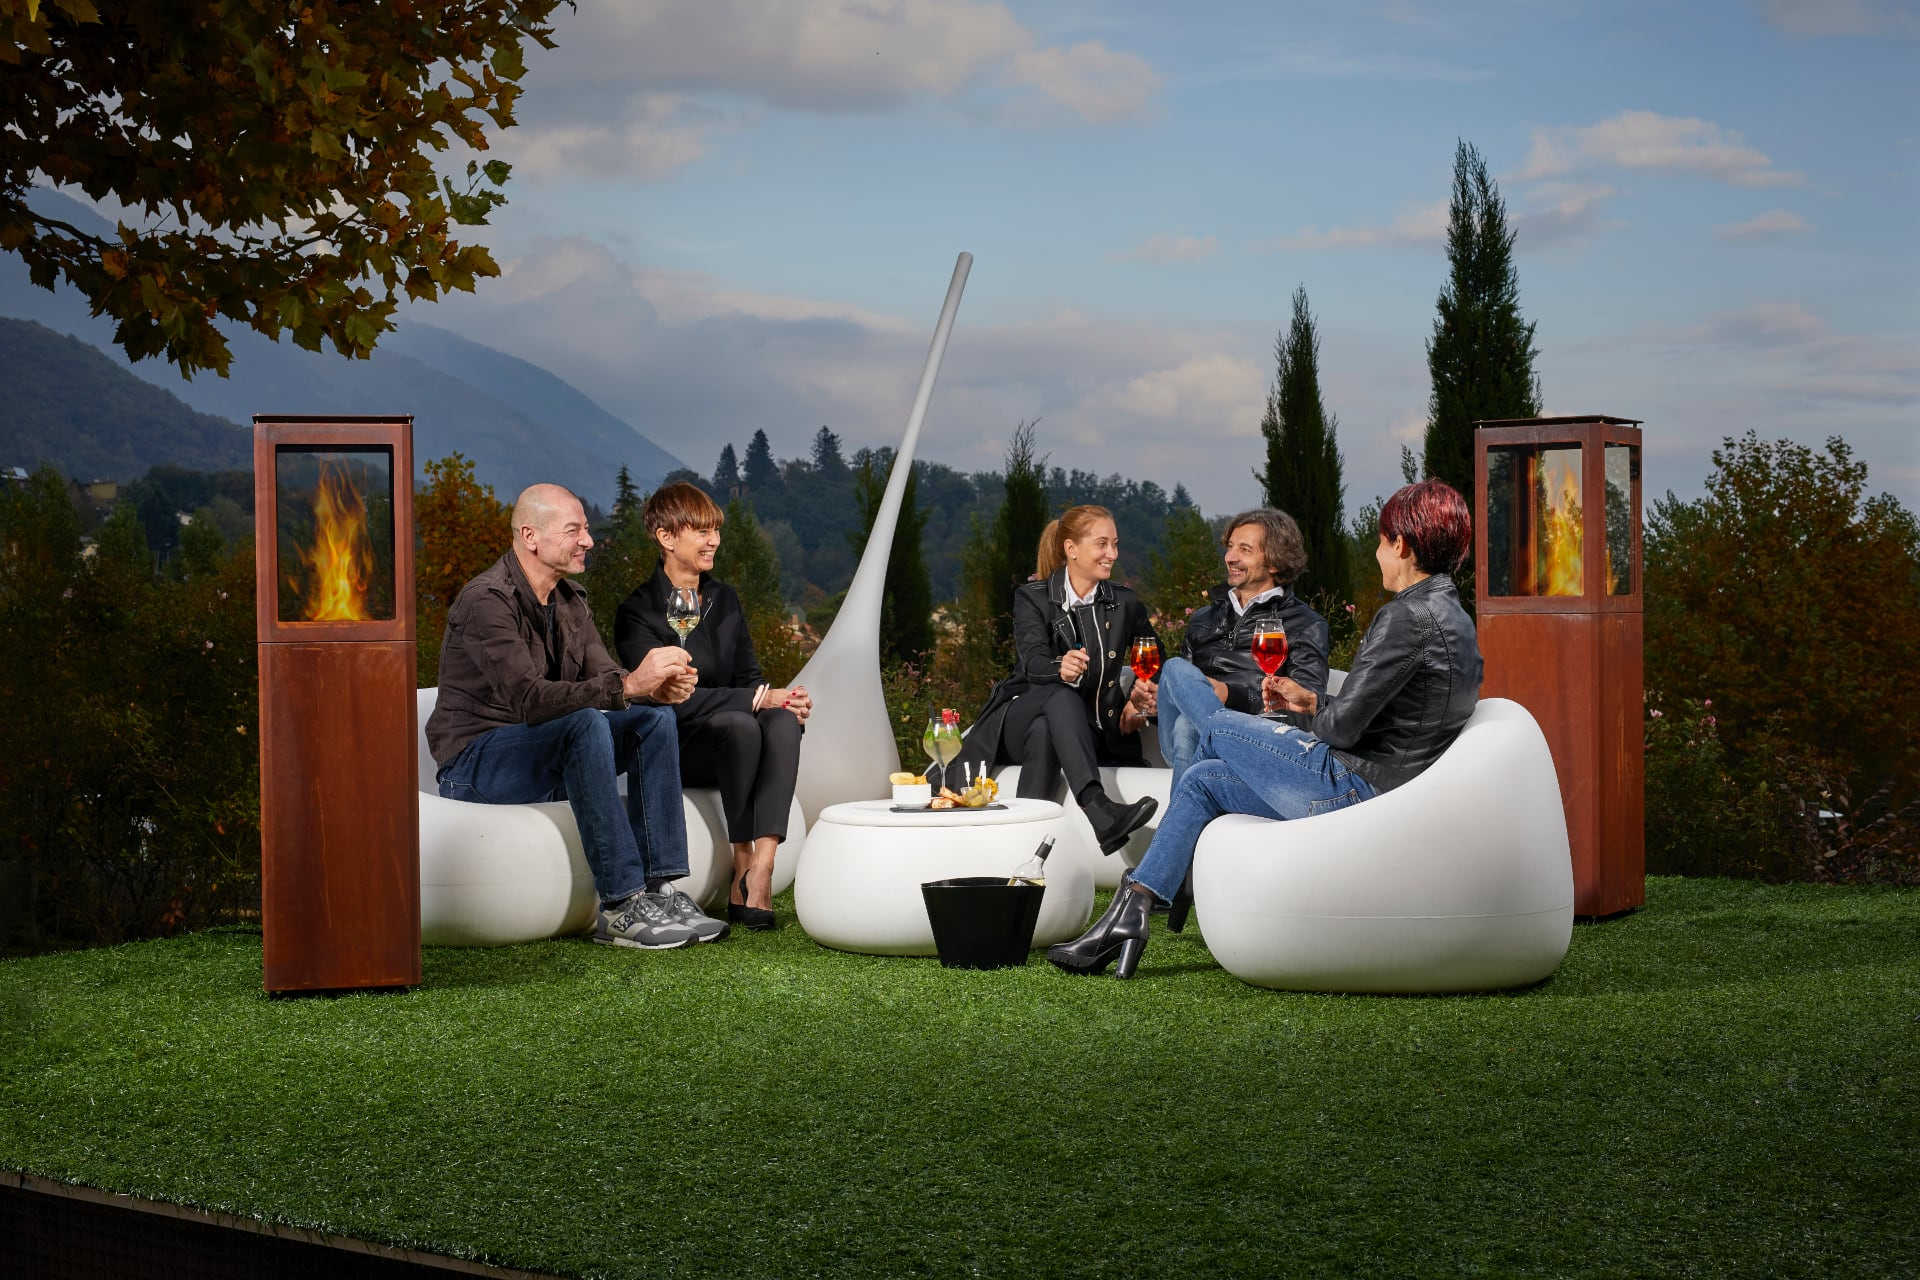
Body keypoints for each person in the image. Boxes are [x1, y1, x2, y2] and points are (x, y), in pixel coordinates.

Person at [1048, 480, 1484, 979]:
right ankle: (1135, 910)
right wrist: (1313, 700)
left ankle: (1177, 849)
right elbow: (1389, 714)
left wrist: (1307, 713)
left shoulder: (1404, 617)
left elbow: (1341, 732)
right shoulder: (1454, 616)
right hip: (1381, 783)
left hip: (1351, 785)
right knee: (1203, 780)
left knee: (1212, 727)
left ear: (1401, 544)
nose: (1378, 553)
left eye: (1382, 541)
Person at [427, 483, 731, 949]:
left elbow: (607, 677)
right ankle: (621, 904)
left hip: (545, 751)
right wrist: (628, 686)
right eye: (574, 530)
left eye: (586, 529)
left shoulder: (570, 599)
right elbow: (529, 701)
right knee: (585, 722)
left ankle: (660, 889)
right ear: (531, 536)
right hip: (476, 765)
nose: (588, 540)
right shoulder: (485, 601)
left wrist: (652, 688)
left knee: (653, 721)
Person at [614, 482, 810, 932]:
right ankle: (741, 859)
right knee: (741, 723)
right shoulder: (637, 612)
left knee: (781, 720)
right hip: (681, 747)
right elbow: (669, 699)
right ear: (666, 537)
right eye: (701, 531)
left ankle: (762, 867)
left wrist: (782, 700)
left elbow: (749, 677)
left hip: (737, 734)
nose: (714, 540)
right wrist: (757, 699)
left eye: (715, 530)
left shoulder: (724, 599)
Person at [943, 504, 1160, 854]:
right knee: (1060, 695)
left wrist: (1140, 695)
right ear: (1071, 549)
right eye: (1102, 544)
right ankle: (1097, 807)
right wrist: (1059, 667)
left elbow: (1152, 655)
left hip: (1085, 729)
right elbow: (1032, 662)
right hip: (1019, 717)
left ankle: (1025, 848)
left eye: (1115, 544)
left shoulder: (1125, 603)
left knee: (1046, 730)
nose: (1112, 554)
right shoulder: (1032, 597)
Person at [1131, 507, 1330, 786]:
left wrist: (1231, 695)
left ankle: (1185, 808)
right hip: (1190, 742)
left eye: (1244, 549)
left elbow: (1305, 710)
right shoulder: (1203, 618)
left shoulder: (1305, 623)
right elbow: (1183, 694)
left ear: (1275, 562)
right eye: (1230, 547)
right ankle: (1220, 739)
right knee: (1174, 670)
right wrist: (1154, 705)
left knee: (1187, 726)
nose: (1230, 557)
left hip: (1256, 743)